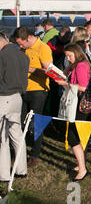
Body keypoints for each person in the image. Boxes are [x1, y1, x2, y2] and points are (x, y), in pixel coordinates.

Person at [13, 27, 53, 168]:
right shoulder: (23, 49)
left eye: (22, 44)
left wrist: (30, 69)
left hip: (38, 91)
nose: (20, 46)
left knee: (36, 123)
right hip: (23, 89)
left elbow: (49, 72)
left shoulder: (43, 48)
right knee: (21, 122)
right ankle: (19, 153)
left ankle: (35, 155)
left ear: (29, 38)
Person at [54, 43, 91, 181]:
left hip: (79, 104)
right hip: (74, 103)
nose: (68, 59)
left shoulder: (81, 65)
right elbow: (65, 75)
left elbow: (82, 87)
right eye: (67, 56)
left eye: (70, 56)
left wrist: (64, 83)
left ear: (76, 53)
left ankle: (82, 168)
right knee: (74, 135)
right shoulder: (75, 64)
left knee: (73, 136)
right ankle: (81, 164)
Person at [0, 30, 29, 181]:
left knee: (2, 138)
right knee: (17, 134)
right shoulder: (23, 56)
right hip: (18, 97)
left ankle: (3, 174)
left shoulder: (2, 56)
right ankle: (21, 169)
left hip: (3, 97)